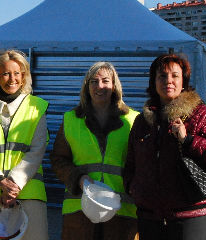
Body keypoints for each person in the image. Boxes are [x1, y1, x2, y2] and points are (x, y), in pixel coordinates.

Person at [123, 54, 206, 240]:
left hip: (189, 216)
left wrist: (188, 140)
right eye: (162, 76)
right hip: (149, 216)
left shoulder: (200, 115)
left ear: (184, 81)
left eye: (175, 75)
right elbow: (131, 162)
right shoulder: (143, 121)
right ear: (153, 82)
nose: (169, 81)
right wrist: (133, 187)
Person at [50, 62, 139, 240]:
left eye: (106, 81)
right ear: (86, 86)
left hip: (121, 211)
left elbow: (142, 164)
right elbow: (58, 160)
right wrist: (79, 179)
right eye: (94, 81)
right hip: (79, 211)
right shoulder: (71, 119)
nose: (100, 86)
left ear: (114, 85)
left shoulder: (133, 120)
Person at [0, 50, 49, 240]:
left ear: (24, 77)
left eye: (17, 73)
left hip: (28, 196)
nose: (12, 79)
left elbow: (37, 150)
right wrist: (0, 181)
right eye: (6, 73)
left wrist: (13, 186)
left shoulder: (37, 107)